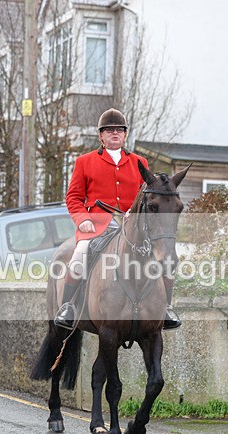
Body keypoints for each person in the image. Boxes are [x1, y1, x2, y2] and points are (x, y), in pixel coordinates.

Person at [53, 108, 181, 330]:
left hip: (132, 225)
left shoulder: (139, 162)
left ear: (125, 134)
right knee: (79, 256)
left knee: (164, 258)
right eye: (109, 130)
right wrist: (82, 218)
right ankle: (68, 307)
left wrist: (137, 212)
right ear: (101, 136)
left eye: (119, 130)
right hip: (95, 223)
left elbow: (146, 195)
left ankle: (166, 308)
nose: (115, 134)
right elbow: (73, 197)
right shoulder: (84, 161)